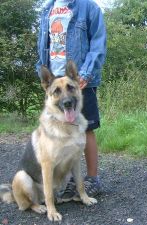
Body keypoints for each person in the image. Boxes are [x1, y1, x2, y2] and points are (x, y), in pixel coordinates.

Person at [36, 0, 106, 201]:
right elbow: (43, 45)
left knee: (87, 128)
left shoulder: (89, 7)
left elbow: (98, 42)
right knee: (58, 130)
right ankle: (69, 181)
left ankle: (92, 180)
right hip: (54, 82)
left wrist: (85, 73)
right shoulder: (47, 9)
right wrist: (42, 74)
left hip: (80, 80)